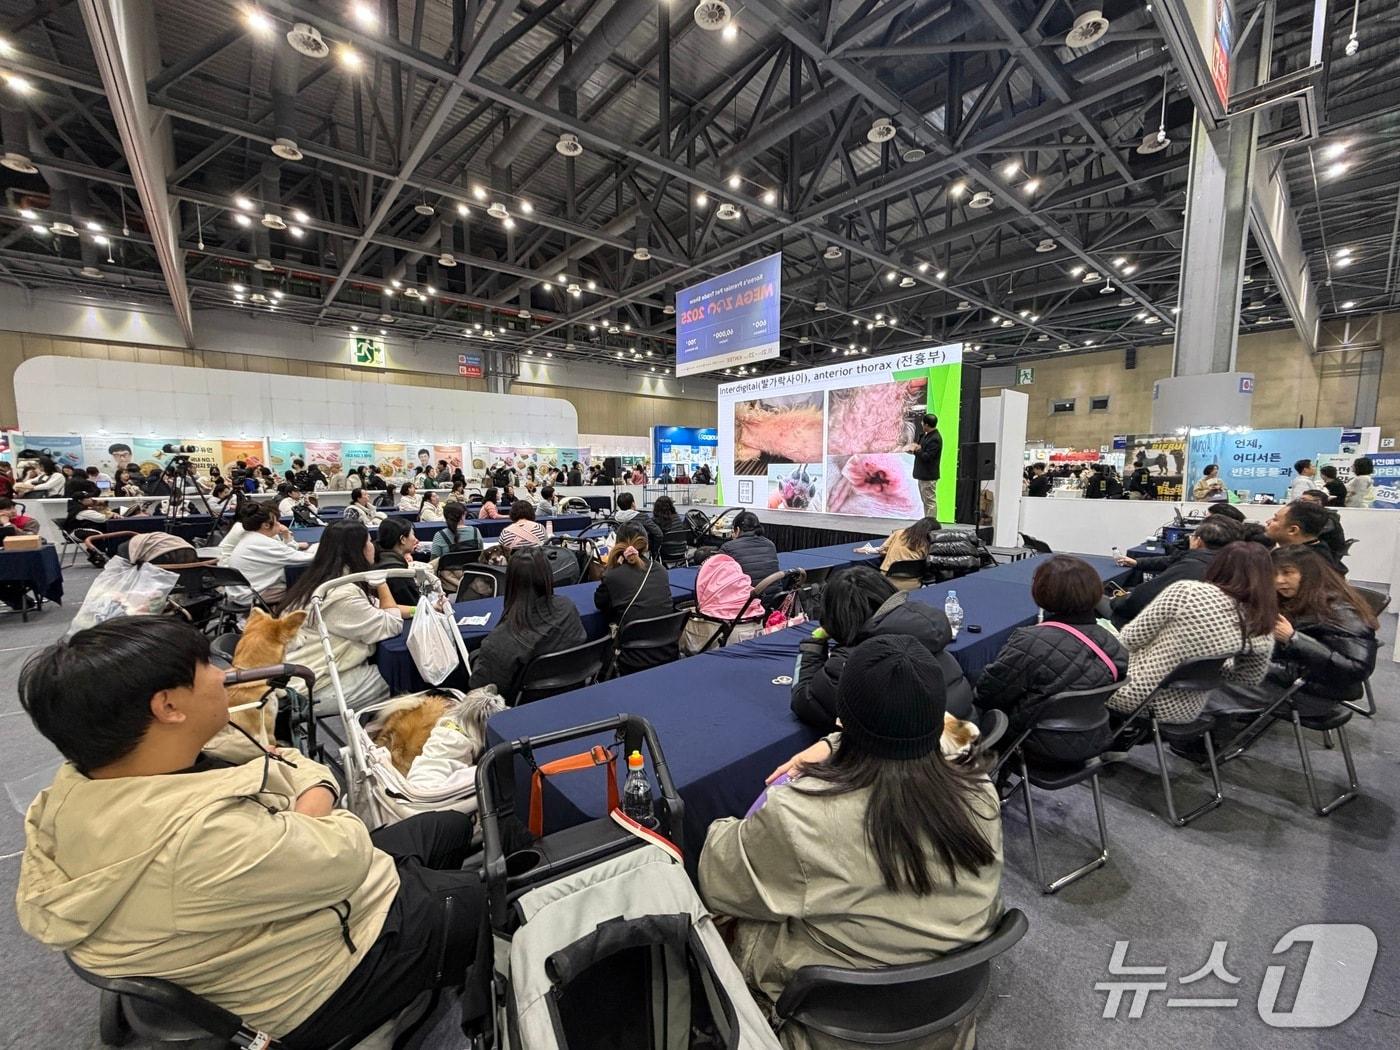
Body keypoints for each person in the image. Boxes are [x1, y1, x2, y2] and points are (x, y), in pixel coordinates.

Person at [14, 616, 512, 1048]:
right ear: (168, 706)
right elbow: (344, 842)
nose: (226, 673)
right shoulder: (203, 838)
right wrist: (313, 793)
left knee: (445, 826)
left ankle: (434, 944)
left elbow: (286, 765)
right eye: (207, 666)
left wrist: (304, 798)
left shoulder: (80, 790)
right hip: (321, 973)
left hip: (300, 899)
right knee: (510, 890)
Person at [701, 637, 1003, 1050]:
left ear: (842, 717)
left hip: (832, 1027)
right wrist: (835, 745)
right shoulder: (980, 789)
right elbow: (944, 732)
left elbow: (719, 879)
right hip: (945, 1013)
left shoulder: (800, 816)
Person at [975, 556, 1128, 761]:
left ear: (1042, 592)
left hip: (1032, 744)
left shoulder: (1030, 641)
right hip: (1092, 739)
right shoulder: (1112, 644)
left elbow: (988, 694)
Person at [1106, 542, 1276, 726]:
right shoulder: (1262, 618)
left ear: (1218, 564)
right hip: (1188, 709)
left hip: (1133, 695)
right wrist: (1207, 663)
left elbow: (1129, 639)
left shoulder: (1187, 592)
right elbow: (1248, 677)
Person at [791, 565, 972, 728]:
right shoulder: (924, 631)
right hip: (962, 746)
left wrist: (813, 647)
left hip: (920, 760)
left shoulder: (854, 660)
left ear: (836, 616)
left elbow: (806, 702)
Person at [281, 521, 404, 712]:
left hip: (300, 674)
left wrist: (417, 609)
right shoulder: (342, 593)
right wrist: (382, 583)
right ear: (358, 550)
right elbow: (391, 624)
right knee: (402, 675)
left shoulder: (321, 579)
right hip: (314, 687)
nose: (373, 546)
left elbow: (375, 607)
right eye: (369, 541)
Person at [468, 548, 587, 700]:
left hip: (522, 711)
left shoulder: (499, 643)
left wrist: (476, 658)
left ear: (510, 582)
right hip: (570, 697)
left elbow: (481, 693)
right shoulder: (568, 607)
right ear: (548, 576)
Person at [1108, 516, 1239, 627]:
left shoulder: (1190, 568)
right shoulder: (1233, 564)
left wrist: (1117, 600)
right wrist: (1137, 562)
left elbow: (1139, 600)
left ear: (1198, 542)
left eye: (1192, 535)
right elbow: (1170, 560)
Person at [593, 522, 676, 673]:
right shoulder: (661, 570)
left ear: (617, 544)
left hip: (631, 658)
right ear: (646, 544)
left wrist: (612, 568)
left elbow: (600, 602)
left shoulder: (613, 575)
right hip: (667, 652)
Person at [227, 502, 314, 604]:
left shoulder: (251, 538)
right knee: (307, 587)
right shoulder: (262, 542)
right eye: (276, 520)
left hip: (241, 593)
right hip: (252, 596)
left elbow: (286, 553)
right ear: (266, 525)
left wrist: (287, 536)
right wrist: (323, 549)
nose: (279, 523)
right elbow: (304, 558)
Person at [1265, 499, 1347, 575]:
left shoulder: (1303, 564)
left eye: (1275, 519)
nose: (1268, 522)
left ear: (1292, 530)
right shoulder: (1318, 554)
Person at [372, 516, 424, 610]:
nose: (416, 540)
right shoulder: (397, 572)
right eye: (413, 535)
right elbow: (414, 604)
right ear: (403, 539)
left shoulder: (377, 557)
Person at [874, 516, 939, 588]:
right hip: (913, 585)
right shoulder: (928, 543)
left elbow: (882, 550)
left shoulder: (898, 533)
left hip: (887, 583)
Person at [718, 510, 780, 585]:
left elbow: (718, 577)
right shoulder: (770, 544)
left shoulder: (728, 547)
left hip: (747, 595)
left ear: (737, 530)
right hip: (775, 595)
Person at [905, 412, 942, 519]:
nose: (922, 425)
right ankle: (927, 521)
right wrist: (915, 447)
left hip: (929, 476)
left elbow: (927, 456)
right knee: (926, 501)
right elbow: (921, 448)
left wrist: (915, 451)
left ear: (926, 425)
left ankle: (931, 523)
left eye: (923, 423)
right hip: (923, 474)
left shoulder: (935, 438)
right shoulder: (926, 436)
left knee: (930, 501)